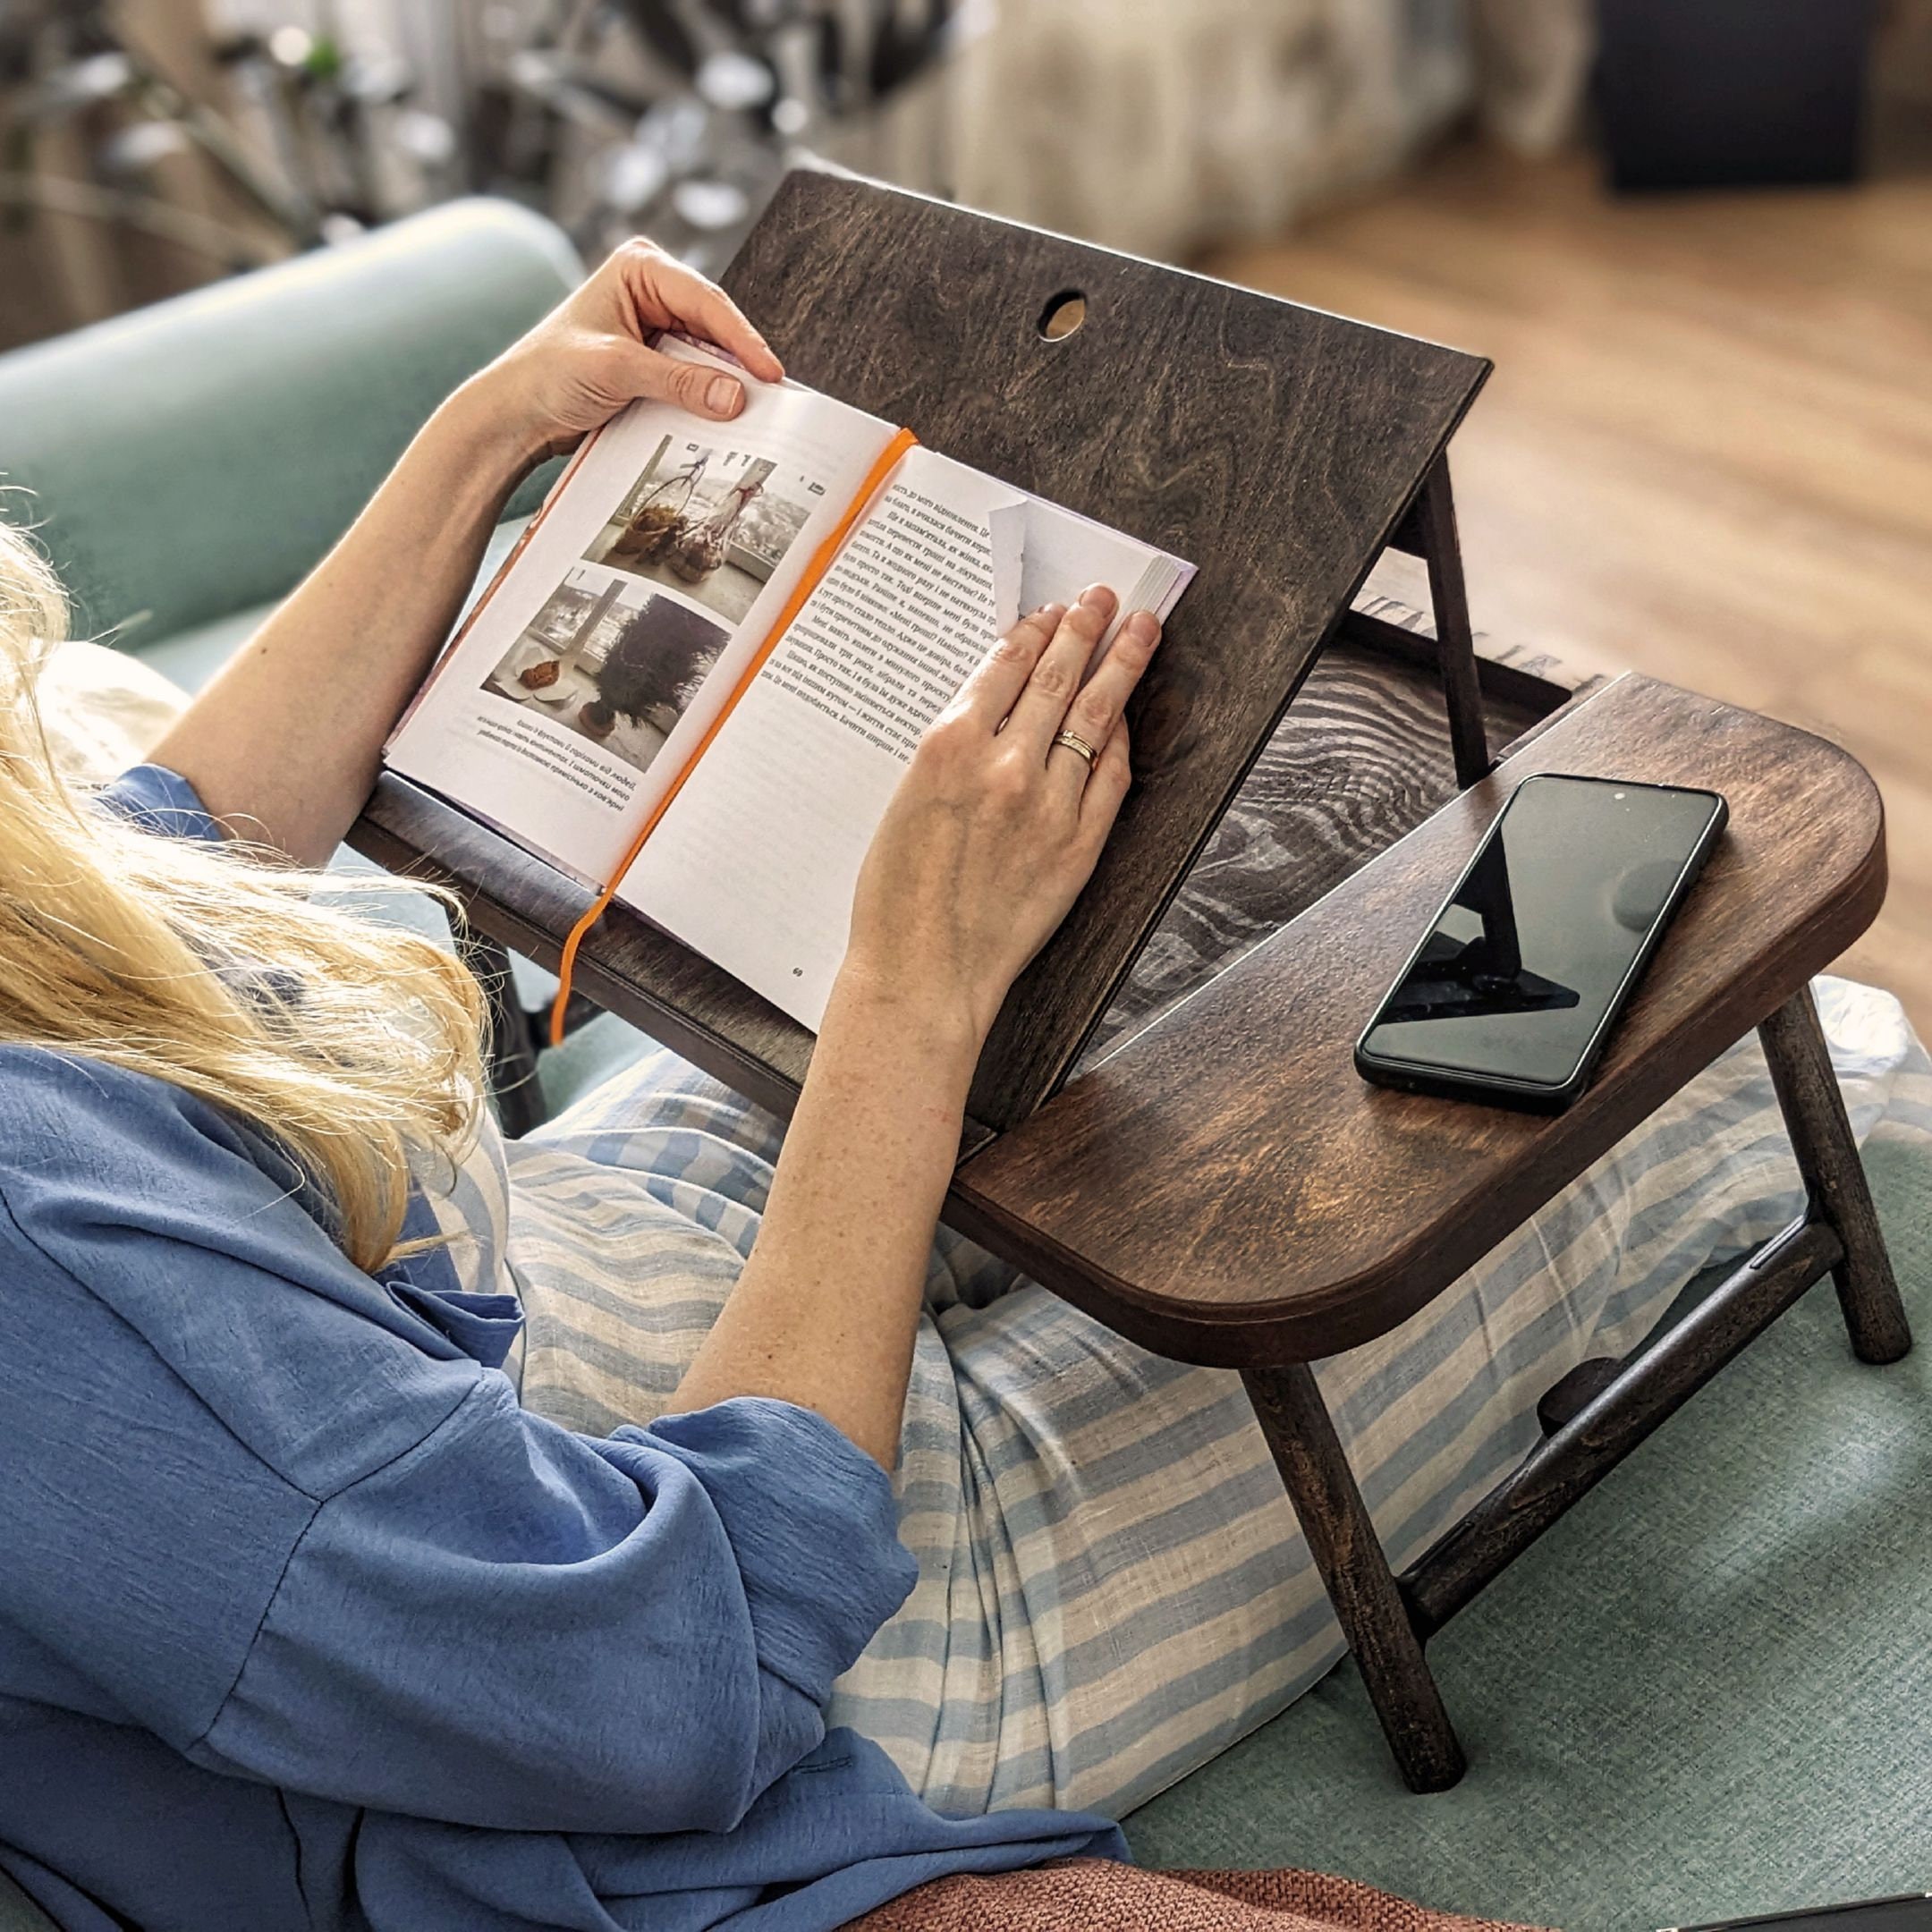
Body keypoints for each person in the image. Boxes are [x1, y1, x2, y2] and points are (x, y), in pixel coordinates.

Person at [2, 242, 1927, 1932]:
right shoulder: (49, 1281)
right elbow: (675, 1677)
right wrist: (904, 997)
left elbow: (147, 872)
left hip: (458, 1342)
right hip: (712, 1642)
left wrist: (487, 436)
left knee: (1141, 957)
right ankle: (1840, 1119)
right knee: (1649, 1088)